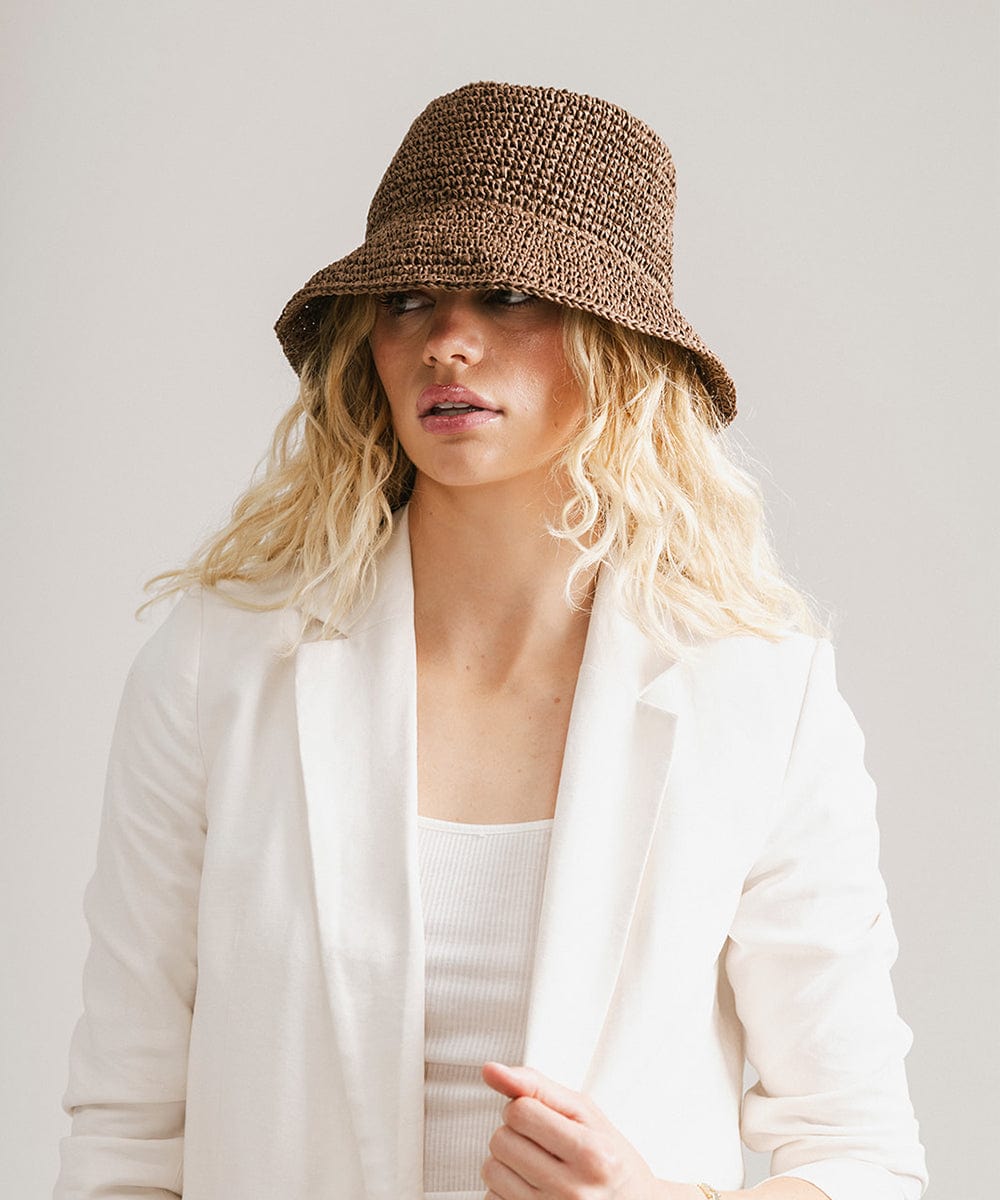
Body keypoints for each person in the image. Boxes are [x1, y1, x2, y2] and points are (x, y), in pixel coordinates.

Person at [54, 80, 928, 1200]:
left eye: (513, 295)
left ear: (621, 348)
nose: (449, 343)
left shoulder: (756, 691)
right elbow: (125, 1133)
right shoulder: (220, 665)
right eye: (408, 298)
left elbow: (860, 1151)